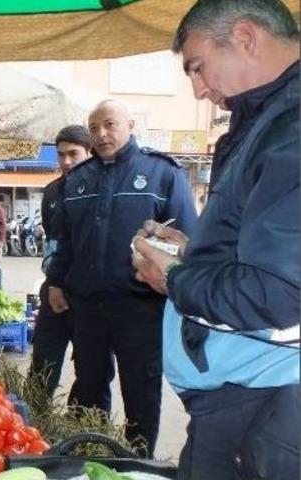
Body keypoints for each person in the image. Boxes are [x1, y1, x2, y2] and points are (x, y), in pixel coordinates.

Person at [132, 1, 299, 477]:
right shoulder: (265, 121)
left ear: (245, 37)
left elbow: (278, 294)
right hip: (243, 397)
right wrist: (193, 248)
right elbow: (263, 246)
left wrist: (176, 279)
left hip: (269, 399)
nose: (199, 90)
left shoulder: (291, 130)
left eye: (198, 68)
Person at [46, 99, 197, 457]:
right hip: (87, 307)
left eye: (110, 124)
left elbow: (189, 240)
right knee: (90, 384)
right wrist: (56, 281)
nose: (101, 133)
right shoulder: (79, 179)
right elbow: (65, 239)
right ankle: (93, 455)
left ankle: (138, 461)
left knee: (140, 390)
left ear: (130, 125)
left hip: (140, 307)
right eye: (94, 127)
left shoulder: (162, 174)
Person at [29, 125, 115, 406]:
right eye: (61, 155)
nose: (66, 161)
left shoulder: (106, 189)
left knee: (93, 371)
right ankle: (36, 419)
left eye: (73, 154)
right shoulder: (52, 192)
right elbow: (53, 241)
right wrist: (54, 283)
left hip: (91, 297)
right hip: (53, 289)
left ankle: (85, 428)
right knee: (43, 363)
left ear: (89, 153)